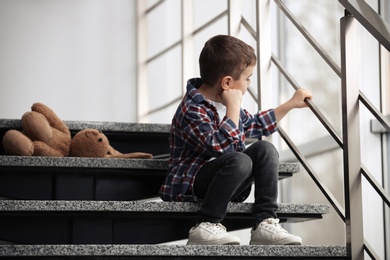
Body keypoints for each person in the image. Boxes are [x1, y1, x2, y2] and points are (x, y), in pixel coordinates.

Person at [159, 34, 312, 245]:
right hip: (193, 183)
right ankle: (206, 224)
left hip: (227, 178)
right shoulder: (192, 108)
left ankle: (265, 222)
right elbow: (219, 147)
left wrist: (291, 104)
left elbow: (257, 124)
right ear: (228, 82)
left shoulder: (228, 105)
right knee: (240, 159)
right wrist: (233, 108)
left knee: (265, 150)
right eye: (248, 78)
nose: (249, 83)